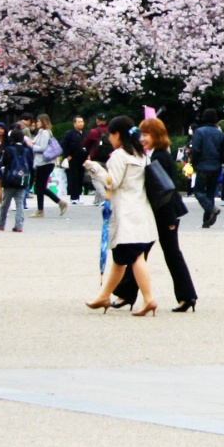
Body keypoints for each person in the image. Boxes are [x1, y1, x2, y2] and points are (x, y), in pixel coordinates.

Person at [114, 118, 197, 312]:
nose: (142, 138)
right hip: (162, 213)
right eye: (141, 134)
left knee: (148, 254)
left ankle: (126, 295)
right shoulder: (159, 155)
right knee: (147, 254)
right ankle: (186, 296)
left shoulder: (159, 157)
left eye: (146, 134)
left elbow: (165, 190)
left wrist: (169, 219)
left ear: (157, 135)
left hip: (163, 214)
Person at [84, 116, 158, 317]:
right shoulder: (141, 155)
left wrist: (94, 168)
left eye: (110, 134)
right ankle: (104, 295)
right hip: (141, 212)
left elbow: (112, 182)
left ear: (117, 134)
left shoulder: (119, 156)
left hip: (126, 214)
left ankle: (149, 298)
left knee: (134, 257)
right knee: (120, 260)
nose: (109, 138)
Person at [191, 108, 224, 227]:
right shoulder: (220, 134)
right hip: (216, 166)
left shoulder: (199, 132)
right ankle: (206, 220)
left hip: (202, 166)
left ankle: (211, 209)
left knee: (198, 191)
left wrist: (193, 163)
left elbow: (196, 149)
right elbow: (222, 151)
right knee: (210, 193)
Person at [30, 115, 67, 217]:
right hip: (42, 162)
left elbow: (42, 147)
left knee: (39, 187)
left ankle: (40, 210)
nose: (36, 123)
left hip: (44, 162)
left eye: (38, 121)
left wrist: (32, 146)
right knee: (40, 187)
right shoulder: (41, 132)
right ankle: (59, 202)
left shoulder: (45, 133)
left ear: (43, 122)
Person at [0, 128, 28, 232]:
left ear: (12, 139)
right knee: (19, 204)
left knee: (5, 203)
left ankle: (1, 223)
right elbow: (30, 165)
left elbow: (3, 162)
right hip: (22, 180)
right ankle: (19, 225)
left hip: (10, 181)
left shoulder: (9, 149)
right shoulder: (27, 150)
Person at [61, 116, 86, 203]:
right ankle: (74, 197)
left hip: (82, 159)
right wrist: (67, 155)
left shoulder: (84, 133)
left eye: (82, 122)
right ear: (74, 123)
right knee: (73, 178)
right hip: (73, 158)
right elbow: (64, 144)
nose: (81, 123)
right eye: (79, 122)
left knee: (80, 177)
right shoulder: (69, 133)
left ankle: (78, 196)